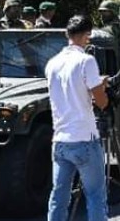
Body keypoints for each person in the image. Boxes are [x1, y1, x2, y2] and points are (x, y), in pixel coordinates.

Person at [45, 15, 109, 221]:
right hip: (84, 138)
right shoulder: (86, 61)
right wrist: (102, 86)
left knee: (59, 196)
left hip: (60, 140)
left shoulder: (52, 63)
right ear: (87, 36)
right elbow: (101, 102)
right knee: (96, 195)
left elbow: (67, 92)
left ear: (67, 34)